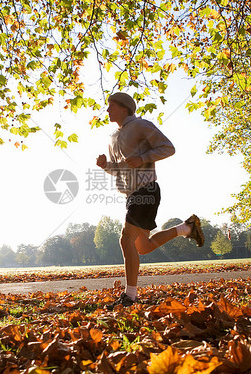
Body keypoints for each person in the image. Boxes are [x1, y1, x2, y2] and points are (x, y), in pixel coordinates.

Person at [96, 92, 204, 310]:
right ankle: (187, 228)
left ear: (125, 108)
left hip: (146, 189)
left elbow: (168, 148)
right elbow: (119, 170)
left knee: (125, 240)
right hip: (130, 195)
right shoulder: (112, 138)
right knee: (142, 247)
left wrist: (143, 158)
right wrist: (105, 166)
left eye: (111, 106)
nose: (107, 110)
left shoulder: (141, 126)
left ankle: (130, 296)